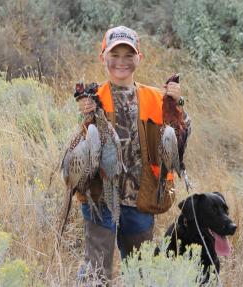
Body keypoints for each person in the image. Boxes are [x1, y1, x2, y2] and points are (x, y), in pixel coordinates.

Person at [74, 26, 190, 283]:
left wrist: (177, 103)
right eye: (114, 55)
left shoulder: (157, 98)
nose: (121, 62)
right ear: (103, 56)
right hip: (100, 197)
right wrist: (83, 114)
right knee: (96, 273)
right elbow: (78, 149)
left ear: (140, 58)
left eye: (129, 55)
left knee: (139, 274)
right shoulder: (92, 98)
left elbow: (182, 132)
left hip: (140, 198)